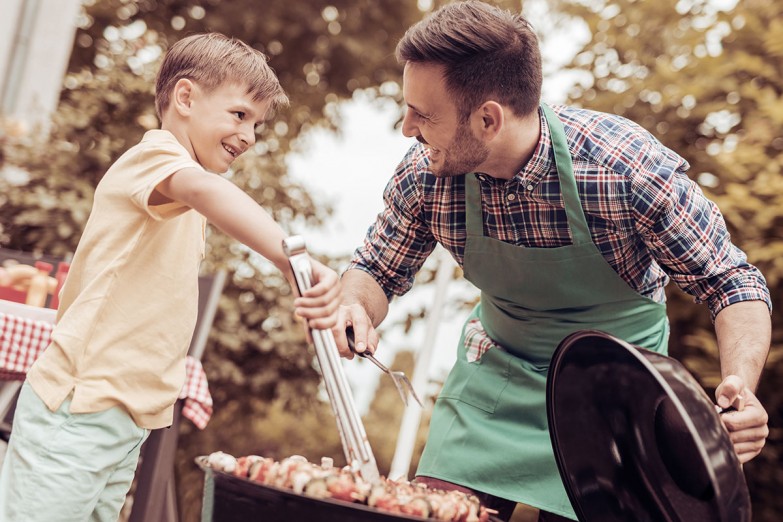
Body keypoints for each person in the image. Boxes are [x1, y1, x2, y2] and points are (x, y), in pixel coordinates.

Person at [331, 2, 771, 521]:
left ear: (488, 119)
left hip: (610, 394)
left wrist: (739, 386)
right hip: (495, 379)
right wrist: (354, 304)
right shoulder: (427, 175)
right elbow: (376, 269)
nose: (406, 128)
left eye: (423, 114)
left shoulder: (623, 170)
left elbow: (730, 282)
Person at [0, 33, 341, 521]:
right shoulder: (157, 158)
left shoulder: (180, 188)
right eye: (240, 115)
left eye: (258, 125)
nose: (249, 136)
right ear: (185, 98)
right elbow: (206, 190)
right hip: (79, 407)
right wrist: (290, 259)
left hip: (123, 420)